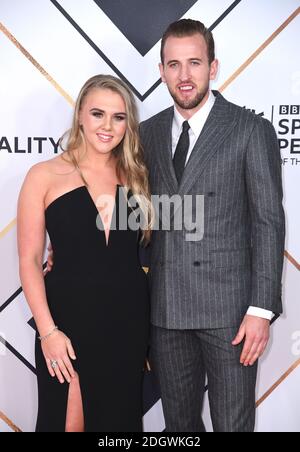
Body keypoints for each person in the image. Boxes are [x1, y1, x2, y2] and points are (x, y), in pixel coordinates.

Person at [139, 19, 285, 432]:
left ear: (213, 67)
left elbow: (268, 223)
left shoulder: (250, 129)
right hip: (166, 311)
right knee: (179, 427)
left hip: (232, 315)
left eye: (195, 63)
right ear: (162, 71)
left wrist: (261, 309)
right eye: (174, 65)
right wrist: (66, 243)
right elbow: (131, 210)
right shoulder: (145, 134)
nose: (185, 76)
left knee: (233, 425)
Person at [17, 74, 152, 432]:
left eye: (119, 117)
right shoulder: (43, 175)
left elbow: (174, 232)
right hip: (67, 324)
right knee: (66, 421)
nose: (108, 126)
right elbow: (29, 260)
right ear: (79, 115)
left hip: (127, 325)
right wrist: (48, 332)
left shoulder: (136, 176)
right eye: (97, 114)